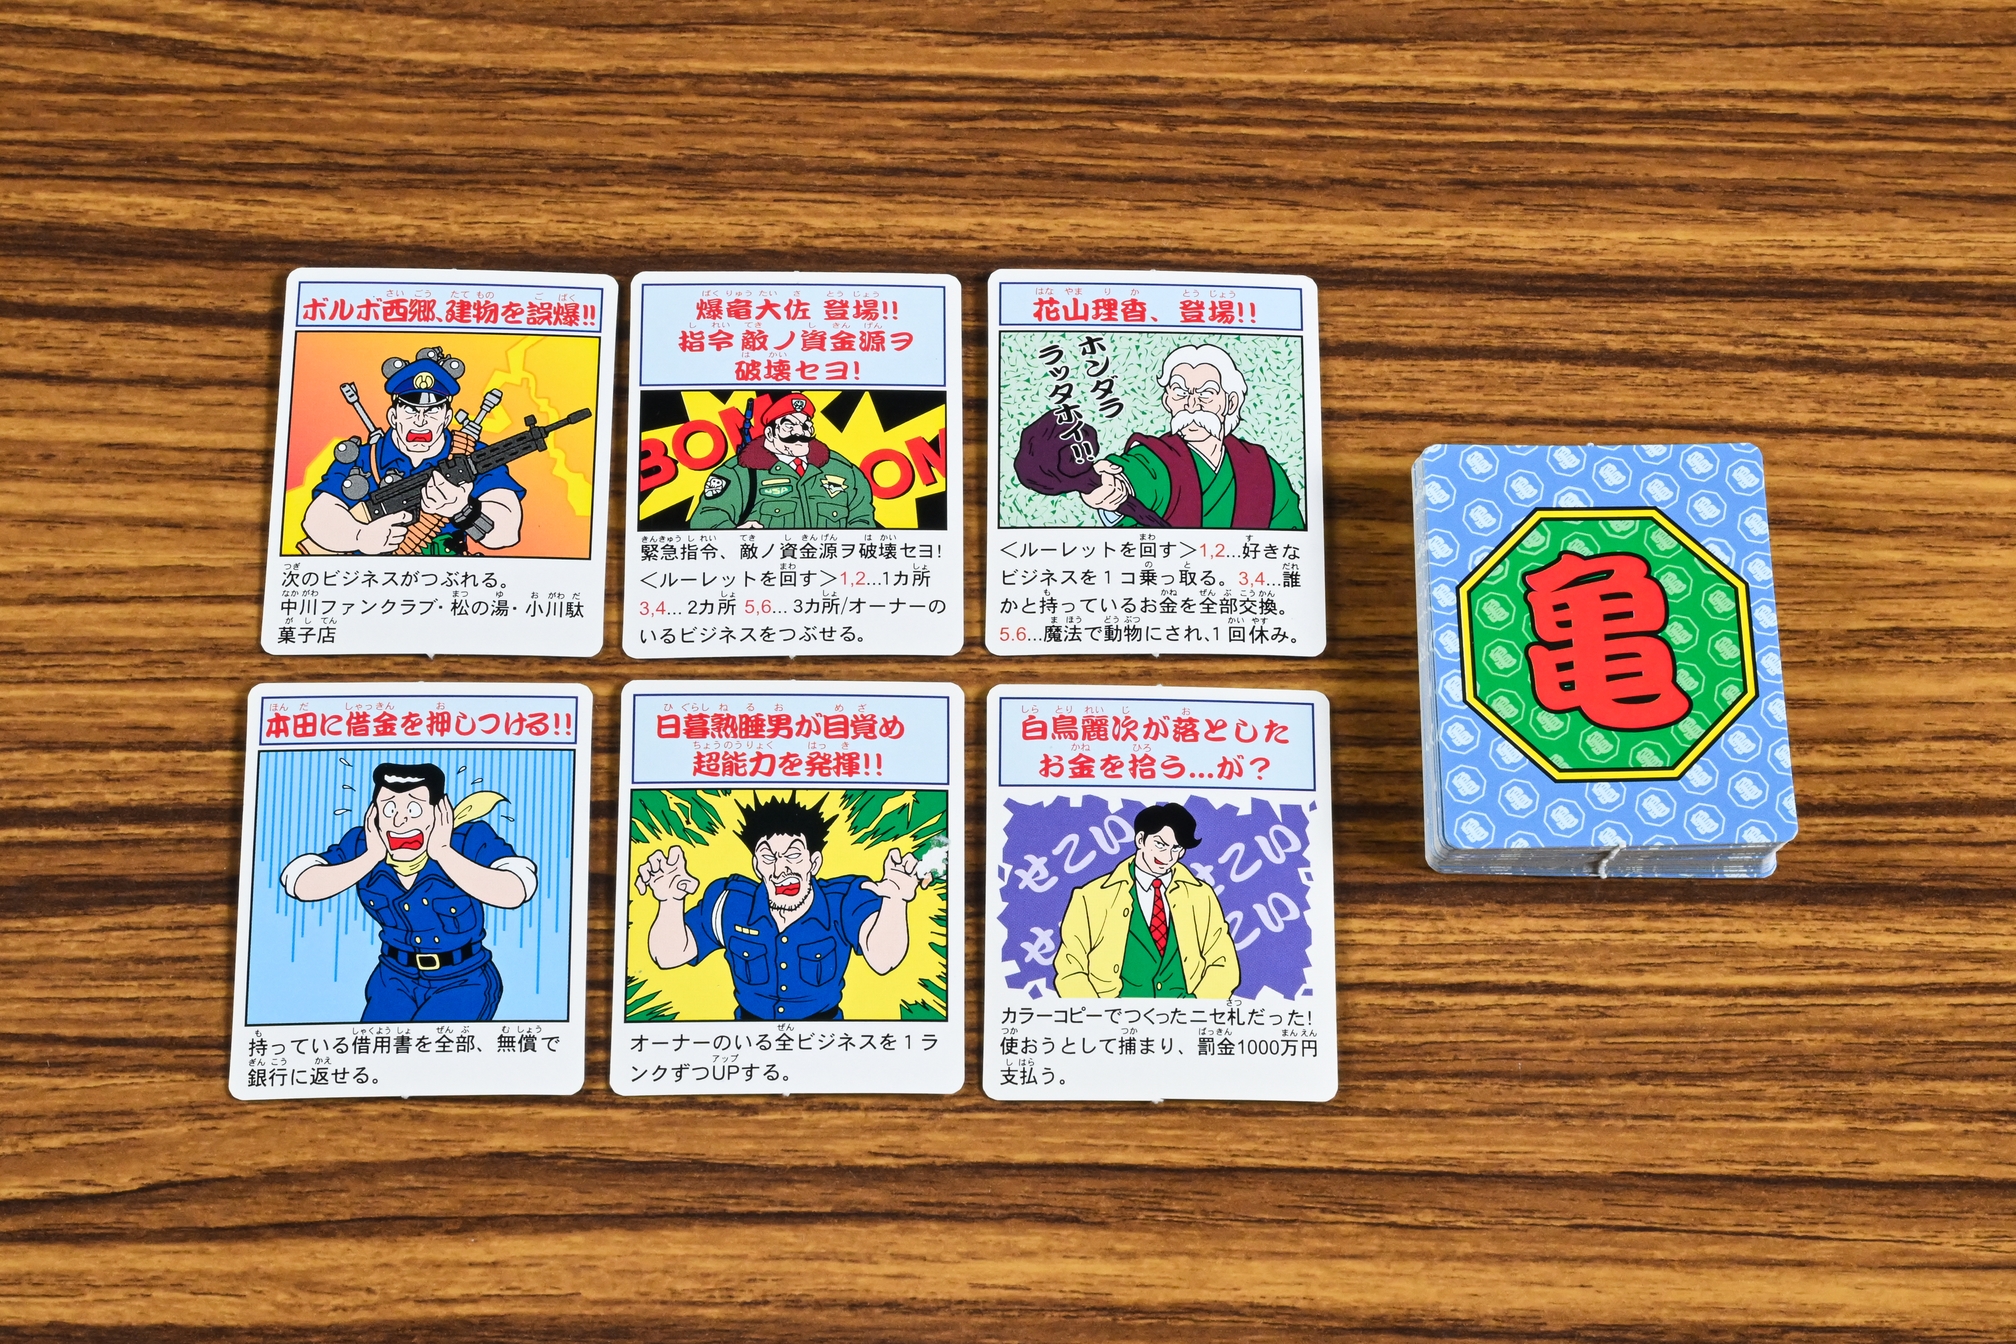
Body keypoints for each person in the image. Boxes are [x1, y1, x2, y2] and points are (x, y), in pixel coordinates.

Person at [281, 763, 536, 1022]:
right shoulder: (363, 843)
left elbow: (516, 890)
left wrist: (443, 853)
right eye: (388, 809)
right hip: (393, 979)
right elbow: (300, 883)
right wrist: (370, 858)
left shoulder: (468, 838)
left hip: (463, 980)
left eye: (414, 809)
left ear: (439, 811)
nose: (399, 821)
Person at [636, 797, 921, 1020]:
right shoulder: (729, 902)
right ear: (756, 865)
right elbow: (668, 956)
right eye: (767, 856)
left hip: (825, 1038)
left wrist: (896, 902)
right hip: (746, 1039)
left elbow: (883, 960)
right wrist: (669, 900)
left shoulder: (843, 900)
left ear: (814, 863)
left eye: (794, 854)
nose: (780, 868)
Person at [303, 346, 526, 554]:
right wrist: (360, 536)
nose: (421, 421)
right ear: (393, 416)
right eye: (410, 410)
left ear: (447, 417)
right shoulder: (363, 459)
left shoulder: (470, 455)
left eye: (432, 410)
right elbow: (317, 517)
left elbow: (507, 532)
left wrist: (464, 509)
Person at [1079, 343, 1304, 529]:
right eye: (1180, 392)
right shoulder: (1155, 457)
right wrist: (1111, 484)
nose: (1192, 403)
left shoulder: (1260, 466)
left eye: (1206, 393)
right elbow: (1138, 474)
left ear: (1231, 402)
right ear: (1167, 400)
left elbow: (1290, 529)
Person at [1053, 802, 1239, 999]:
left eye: (1176, 848)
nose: (1167, 856)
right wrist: (1101, 1013)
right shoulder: (1092, 897)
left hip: (1184, 1014)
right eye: (1160, 844)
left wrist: (1197, 1007)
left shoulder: (1200, 896)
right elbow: (1070, 969)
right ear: (1140, 839)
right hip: (1116, 1013)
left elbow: (1224, 964)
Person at [687, 391, 878, 529]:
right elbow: (707, 519)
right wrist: (737, 536)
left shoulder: (844, 471)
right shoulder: (739, 474)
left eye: (806, 426)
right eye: (789, 426)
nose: (800, 433)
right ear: (770, 433)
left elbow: (863, 521)